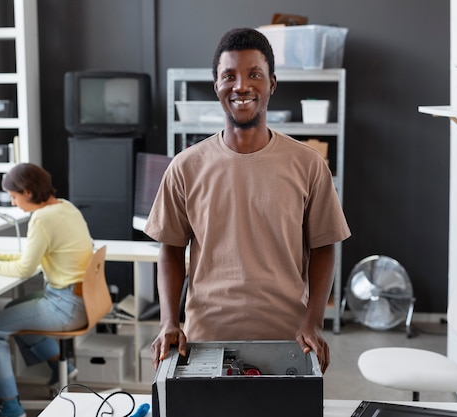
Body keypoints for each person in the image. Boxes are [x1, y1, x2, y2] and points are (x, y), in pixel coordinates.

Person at [145, 27, 351, 373]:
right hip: (205, 338)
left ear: (272, 83)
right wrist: (168, 321)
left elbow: (323, 246)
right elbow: (170, 249)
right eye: (229, 76)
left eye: (254, 74)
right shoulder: (186, 166)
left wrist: (314, 321)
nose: (241, 86)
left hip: (288, 339)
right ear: (216, 87)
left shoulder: (308, 164)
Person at [0, 163, 94, 417]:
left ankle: (10, 406)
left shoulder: (41, 218)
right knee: (13, 308)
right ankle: (62, 366)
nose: (14, 203)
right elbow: (34, 256)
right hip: (80, 299)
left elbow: (25, 270)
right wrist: (0, 257)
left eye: (14, 197)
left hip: (64, 305)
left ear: (27, 192)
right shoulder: (64, 206)